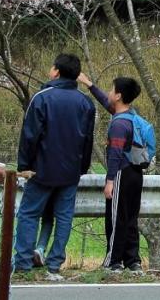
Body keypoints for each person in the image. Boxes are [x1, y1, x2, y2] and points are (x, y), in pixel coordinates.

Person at [14, 54, 97, 276]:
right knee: (64, 216)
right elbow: (88, 140)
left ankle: (22, 264)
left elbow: (29, 136)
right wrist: (82, 167)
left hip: (41, 169)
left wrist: (24, 165)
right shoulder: (85, 103)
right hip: (70, 171)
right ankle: (54, 264)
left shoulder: (42, 98)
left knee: (29, 214)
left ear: (56, 72)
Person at [103, 77, 148, 272]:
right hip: (136, 173)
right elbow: (106, 102)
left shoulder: (118, 125)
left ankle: (113, 261)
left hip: (121, 173)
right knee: (130, 217)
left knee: (116, 218)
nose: (109, 92)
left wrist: (110, 180)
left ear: (119, 95)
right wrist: (89, 85)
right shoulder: (133, 118)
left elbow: (115, 154)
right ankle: (133, 260)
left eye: (112, 89)